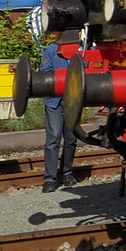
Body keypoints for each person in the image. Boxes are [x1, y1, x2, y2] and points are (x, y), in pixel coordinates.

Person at [41, 35, 77, 192]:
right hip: (54, 100)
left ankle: (67, 173)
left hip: (74, 101)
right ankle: (50, 178)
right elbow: (45, 73)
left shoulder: (80, 50)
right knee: (54, 137)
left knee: (71, 138)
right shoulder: (51, 50)